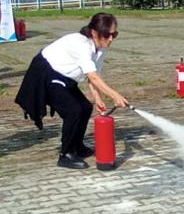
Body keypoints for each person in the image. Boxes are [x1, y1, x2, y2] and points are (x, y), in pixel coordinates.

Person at [15, 12, 128, 169]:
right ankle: (65, 154)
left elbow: (93, 77)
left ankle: (77, 146)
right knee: (73, 110)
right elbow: (93, 77)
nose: (111, 39)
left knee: (85, 107)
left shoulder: (100, 49)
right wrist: (115, 95)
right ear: (95, 33)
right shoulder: (81, 44)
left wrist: (98, 100)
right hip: (47, 73)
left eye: (114, 34)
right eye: (107, 34)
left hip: (66, 78)